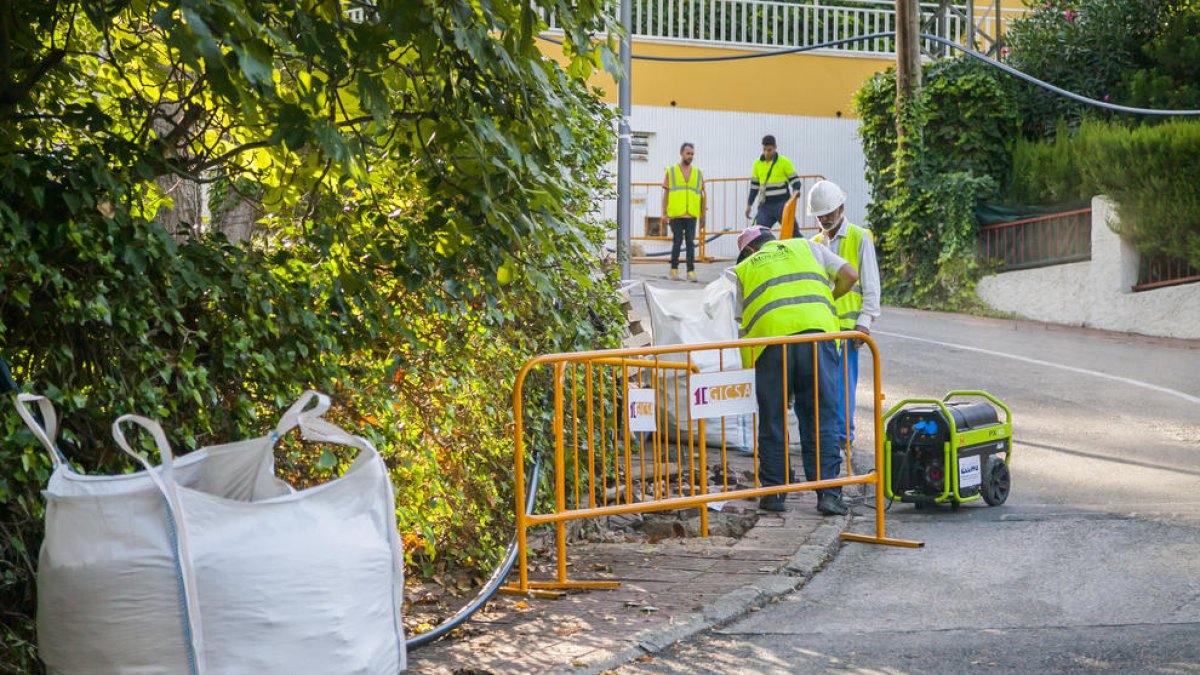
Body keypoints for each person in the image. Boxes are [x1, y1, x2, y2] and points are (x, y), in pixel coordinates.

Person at [732, 225, 859, 516]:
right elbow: (850, 275)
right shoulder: (808, 247)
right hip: (817, 337)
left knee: (773, 417)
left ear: (749, 251)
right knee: (821, 416)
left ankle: (775, 494)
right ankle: (828, 494)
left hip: (772, 343)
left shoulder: (746, 268)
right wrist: (827, 300)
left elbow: (742, 316)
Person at [809, 180, 880, 447]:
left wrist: (864, 322)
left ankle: (841, 438)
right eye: (820, 215)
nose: (825, 219)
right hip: (821, 326)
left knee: (842, 386)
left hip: (849, 329)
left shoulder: (861, 237)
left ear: (841, 208)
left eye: (828, 214)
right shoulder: (814, 243)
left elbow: (871, 284)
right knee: (821, 386)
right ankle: (824, 435)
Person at [661, 142, 706, 282]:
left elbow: (702, 195)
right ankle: (673, 270)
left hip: (691, 213)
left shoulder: (698, 173)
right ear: (682, 154)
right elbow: (666, 193)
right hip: (676, 213)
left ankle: (690, 271)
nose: (690, 156)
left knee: (690, 242)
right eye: (688, 153)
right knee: (677, 241)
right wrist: (664, 213)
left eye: (692, 154)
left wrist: (703, 215)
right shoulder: (672, 171)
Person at [743, 135, 802, 232]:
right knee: (756, 233)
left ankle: (802, 246)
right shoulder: (757, 164)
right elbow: (754, 187)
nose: (766, 153)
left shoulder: (784, 162)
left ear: (775, 147)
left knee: (793, 233)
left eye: (769, 150)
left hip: (782, 205)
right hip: (765, 206)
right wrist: (749, 205)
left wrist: (796, 191)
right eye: (764, 150)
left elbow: (795, 181)